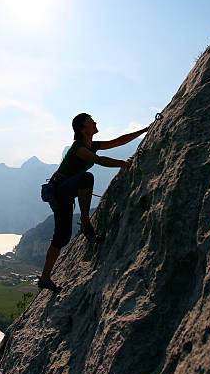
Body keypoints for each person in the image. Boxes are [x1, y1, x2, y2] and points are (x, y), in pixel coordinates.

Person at [38, 113, 151, 293]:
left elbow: (118, 141)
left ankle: (45, 278)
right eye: (91, 121)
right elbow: (98, 160)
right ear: (83, 128)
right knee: (86, 178)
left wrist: (145, 130)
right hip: (59, 191)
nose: (95, 123)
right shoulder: (78, 147)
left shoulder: (92, 145)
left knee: (62, 237)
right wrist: (123, 163)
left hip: (63, 194)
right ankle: (85, 223)